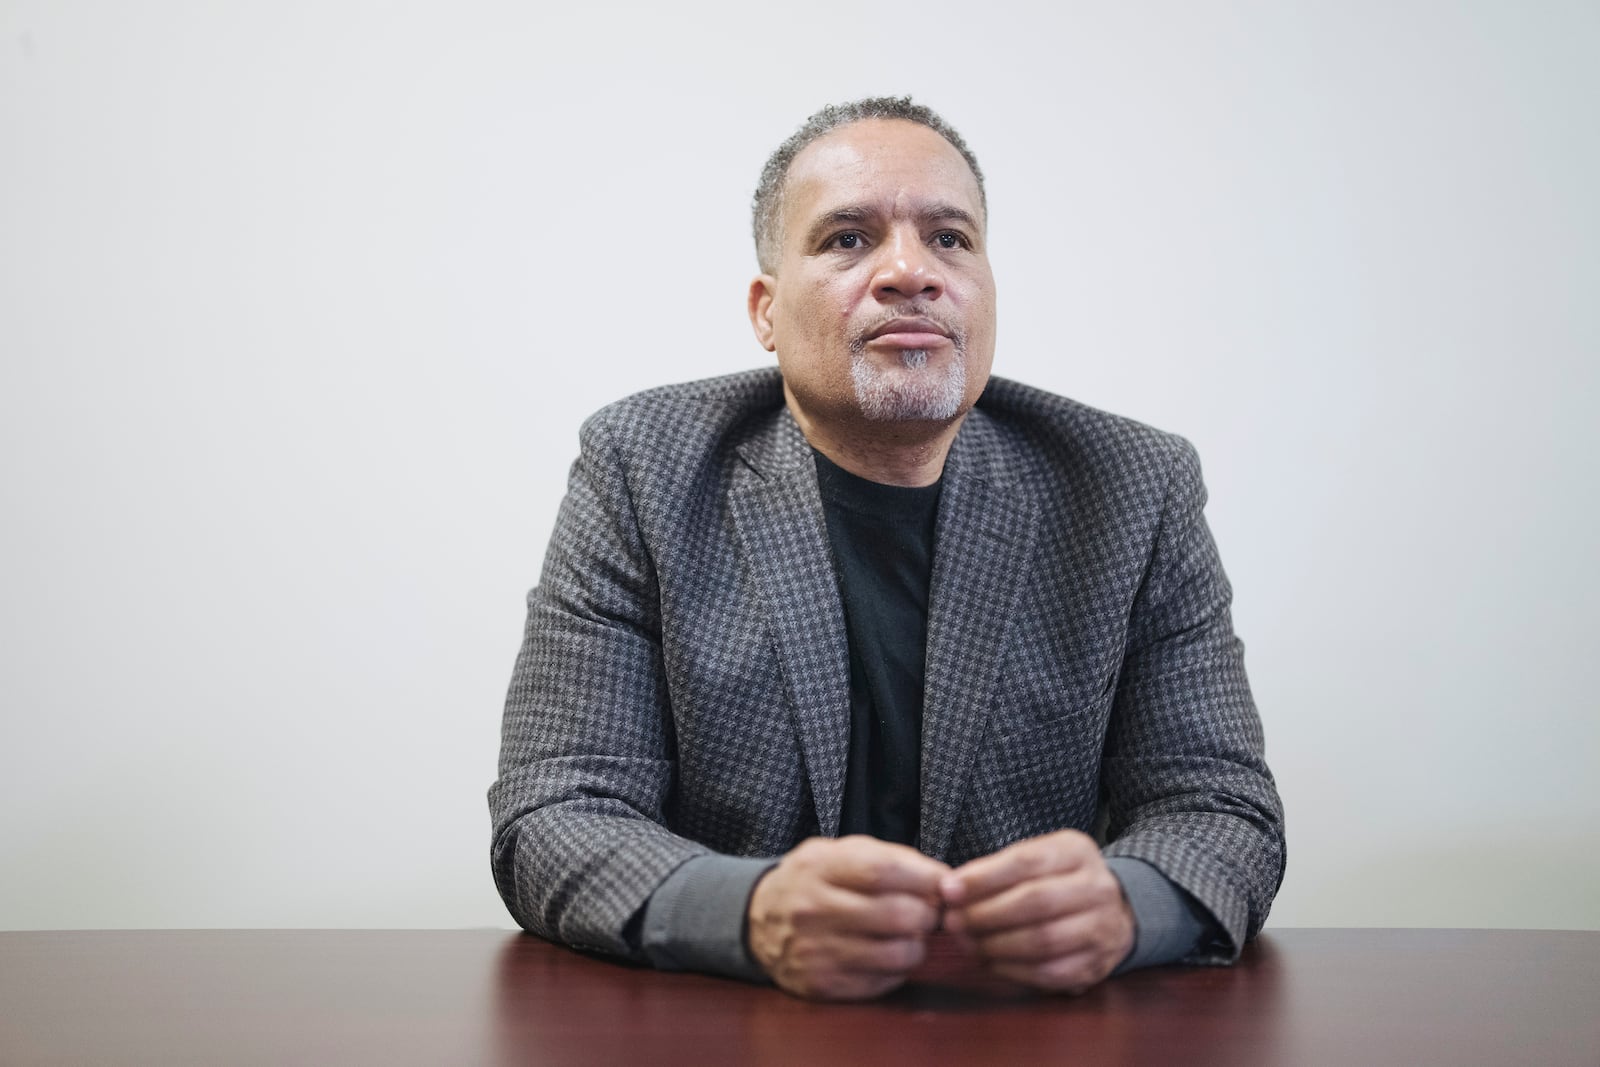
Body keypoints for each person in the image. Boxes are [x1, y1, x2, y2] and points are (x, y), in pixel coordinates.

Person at [489, 97, 1284, 1001]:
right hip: (738, 1023)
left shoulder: (1132, 485)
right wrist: (745, 912)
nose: (911, 271)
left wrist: (1128, 902)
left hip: (1023, 1024)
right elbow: (554, 810)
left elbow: (1222, 810)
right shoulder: (644, 465)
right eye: (847, 240)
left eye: (950, 238)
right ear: (766, 311)